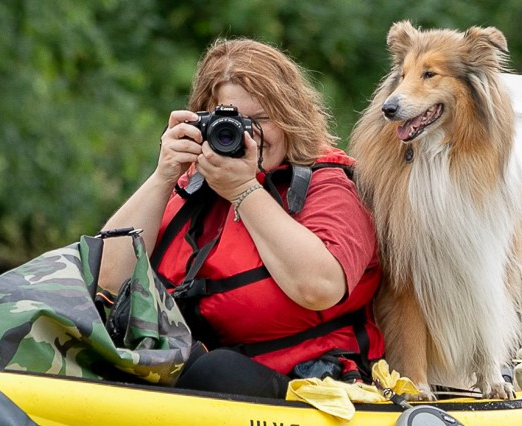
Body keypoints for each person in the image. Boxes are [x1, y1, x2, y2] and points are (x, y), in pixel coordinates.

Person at [100, 38, 383, 399]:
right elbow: (106, 284)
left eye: (261, 119)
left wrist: (244, 191)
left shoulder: (329, 186)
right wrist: (162, 177)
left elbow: (319, 288)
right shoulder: (191, 189)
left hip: (310, 389)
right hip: (189, 381)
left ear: (289, 117)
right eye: (230, 120)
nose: (248, 134)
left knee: (217, 371)